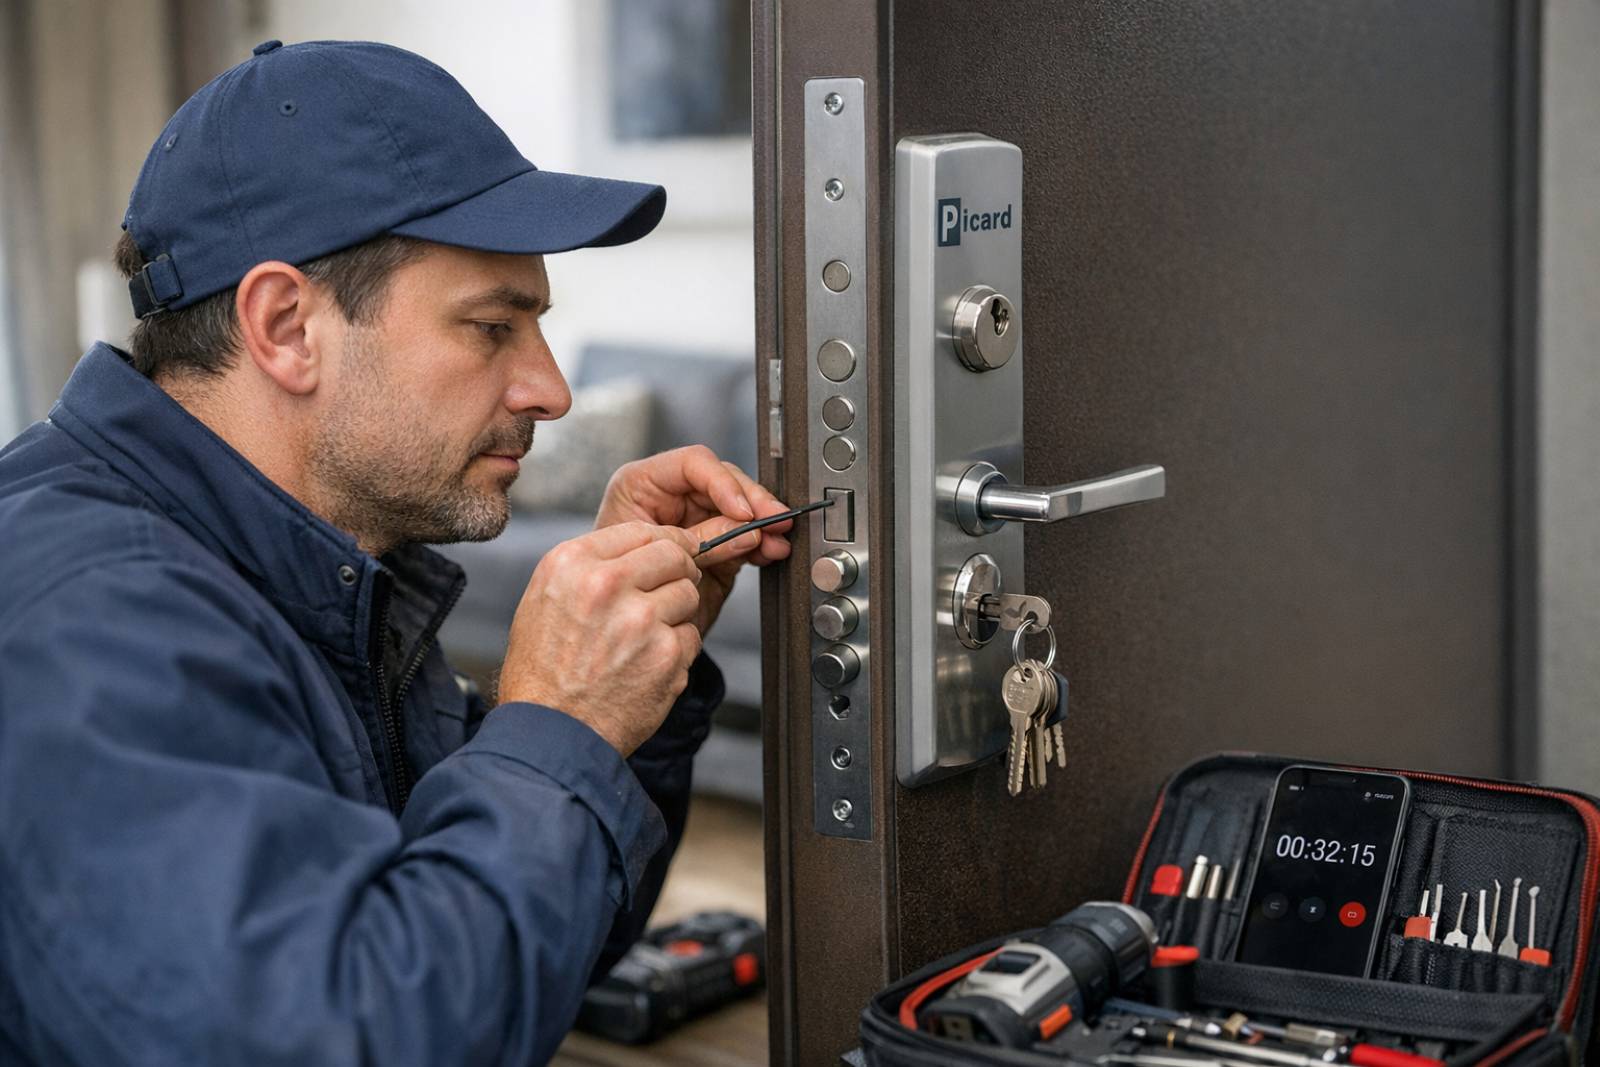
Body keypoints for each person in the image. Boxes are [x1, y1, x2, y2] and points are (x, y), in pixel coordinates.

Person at [0, 39, 792, 1065]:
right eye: (493, 326)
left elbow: (511, 963)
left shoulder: (332, 561)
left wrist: (619, 696)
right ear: (287, 326)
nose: (552, 389)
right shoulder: (90, 626)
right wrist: (558, 724)